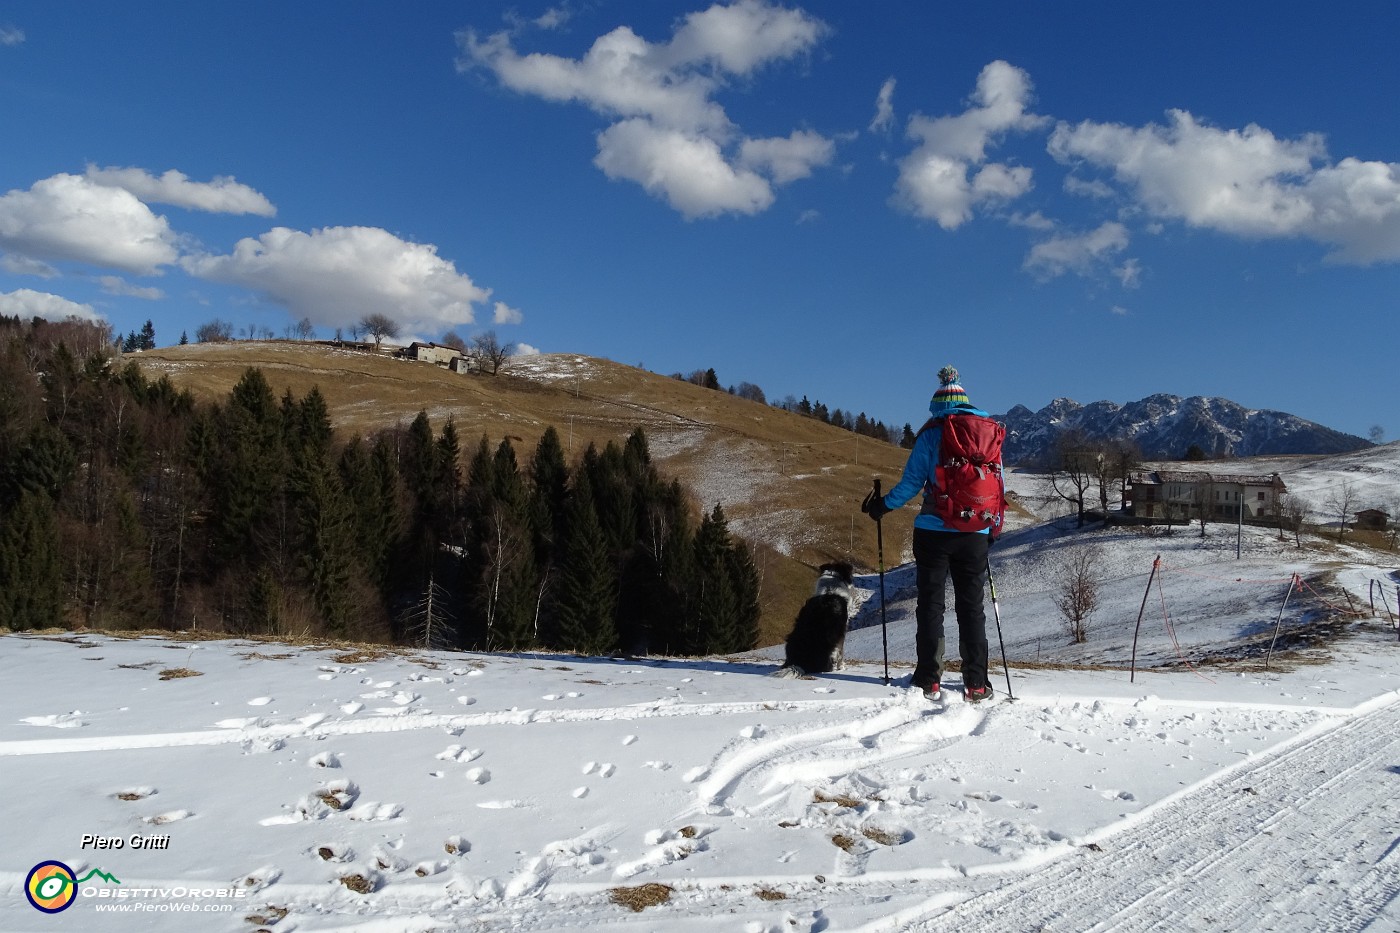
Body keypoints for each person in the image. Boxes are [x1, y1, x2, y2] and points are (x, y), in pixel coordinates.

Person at [862, 365, 994, 703]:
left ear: (936, 408)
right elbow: (998, 485)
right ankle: (976, 682)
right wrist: (991, 526)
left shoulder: (932, 433)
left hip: (934, 531)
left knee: (931, 605)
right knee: (972, 608)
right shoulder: (986, 433)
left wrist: (883, 506)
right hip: (975, 532)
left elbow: (910, 484)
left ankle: (928, 679)